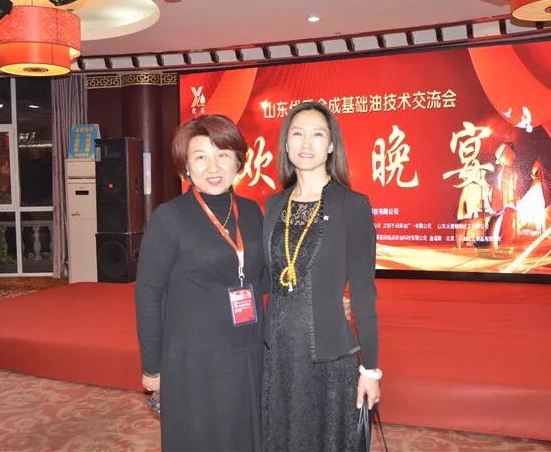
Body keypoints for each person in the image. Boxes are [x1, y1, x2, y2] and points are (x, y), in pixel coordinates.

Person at [135, 114, 265, 451]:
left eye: (222, 154)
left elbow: (263, 278)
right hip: (194, 358)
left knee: (243, 437)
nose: (214, 167)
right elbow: (148, 294)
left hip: (247, 351)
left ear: (238, 160)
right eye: (201, 157)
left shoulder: (252, 212)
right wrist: (152, 367)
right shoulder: (169, 217)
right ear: (186, 167)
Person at [261, 102, 380, 451]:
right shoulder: (274, 205)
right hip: (277, 353)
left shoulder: (352, 205)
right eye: (297, 134)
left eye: (317, 134)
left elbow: (364, 293)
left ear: (330, 145)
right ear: (286, 145)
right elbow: (265, 276)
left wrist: (371, 369)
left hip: (328, 355)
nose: (306, 143)